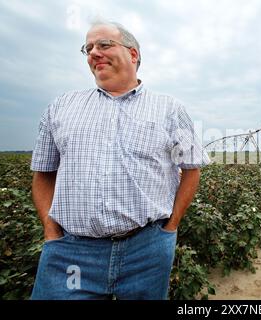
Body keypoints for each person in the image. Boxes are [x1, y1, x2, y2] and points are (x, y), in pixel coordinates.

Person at [30, 20, 209, 300]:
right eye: (88, 48)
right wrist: (50, 231)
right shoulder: (61, 107)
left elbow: (191, 169)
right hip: (71, 252)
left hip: (146, 250)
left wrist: (170, 228)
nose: (93, 53)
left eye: (104, 45)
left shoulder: (170, 110)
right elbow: (43, 173)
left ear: (133, 54)